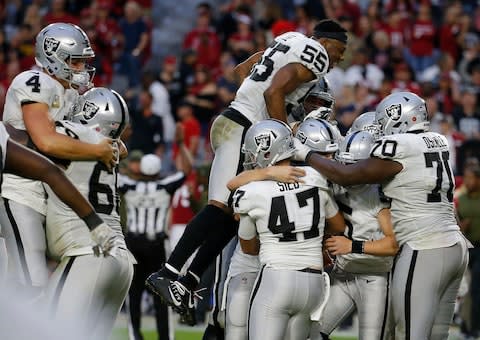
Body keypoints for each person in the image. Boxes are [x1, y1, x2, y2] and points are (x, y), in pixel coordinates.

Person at [146, 19, 348, 323]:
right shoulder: (315, 54)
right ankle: (169, 272)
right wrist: (285, 140)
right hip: (243, 125)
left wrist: (254, 106)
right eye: (340, 49)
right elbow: (273, 93)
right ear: (322, 40)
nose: (340, 57)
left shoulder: (287, 39)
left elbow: (242, 70)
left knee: (232, 214)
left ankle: (187, 282)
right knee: (218, 206)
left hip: (236, 119)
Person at [294, 91, 472, 339]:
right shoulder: (438, 140)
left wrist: (307, 154)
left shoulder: (400, 145)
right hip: (455, 245)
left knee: (409, 333)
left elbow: (347, 175)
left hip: (424, 245)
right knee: (436, 334)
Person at [0, 22, 116, 291]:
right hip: (19, 191)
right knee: (32, 283)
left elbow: (89, 135)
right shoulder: (36, 82)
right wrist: (97, 150)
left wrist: (111, 143)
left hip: (46, 195)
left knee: (27, 281)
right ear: (53, 57)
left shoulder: (68, 93)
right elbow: (47, 142)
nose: (81, 69)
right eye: (75, 62)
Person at [222, 117, 342, 340]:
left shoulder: (253, 190)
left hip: (277, 279)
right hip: (314, 281)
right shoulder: (314, 177)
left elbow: (248, 247)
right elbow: (338, 225)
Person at [43, 87, 133, 340]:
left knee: (45, 331)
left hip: (88, 254)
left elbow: (40, 138)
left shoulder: (69, 135)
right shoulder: (109, 144)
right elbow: (120, 147)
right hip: (121, 260)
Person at [312, 131, 398, 340]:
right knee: (311, 333)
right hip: (343, 275)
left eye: (355, 166)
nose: (348, 172)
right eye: (344, 164)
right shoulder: (335, 184)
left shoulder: (378, 194)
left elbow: (393, 244)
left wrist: (352, 246)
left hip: (374, 279)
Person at [121, 131, 193, 338]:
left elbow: (113, 172)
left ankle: (135, 336)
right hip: (156, 245)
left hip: (133, 244)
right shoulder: (165, 186)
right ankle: (165, 337)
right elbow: (186, 170)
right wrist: (182, 145)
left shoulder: (129, 185)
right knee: (161, 293)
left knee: (134, 295)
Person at [457, 163, 480, 338]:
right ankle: (465, 325)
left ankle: (474, 327)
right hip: (466, 246)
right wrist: (461, 226)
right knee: (464, 289)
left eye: (471, 178)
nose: (467, 181)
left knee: (476, 289)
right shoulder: (461, 198)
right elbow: (456, 223)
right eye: (466, 178)